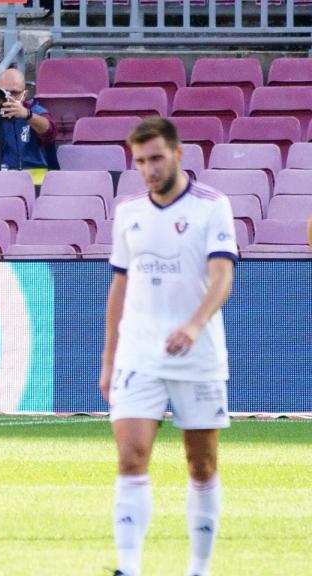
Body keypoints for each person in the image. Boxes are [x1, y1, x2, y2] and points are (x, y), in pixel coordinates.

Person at [101, 117, 236, 576]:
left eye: (156, 157)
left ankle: (199, 569)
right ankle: (128, 567)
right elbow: (118, 288)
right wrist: (109, 359)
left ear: (178, 154)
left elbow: (222, 277)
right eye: (140, 161)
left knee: (201, 464)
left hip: (197, 356)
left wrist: (196, 325)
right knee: (130, 455)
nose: (148, 168)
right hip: (139, 353)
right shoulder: (128, 213)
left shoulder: (213, 207)